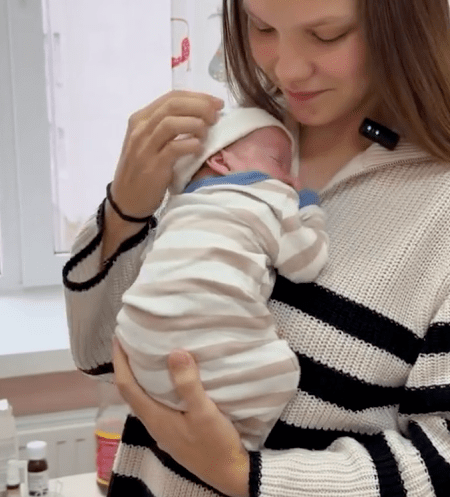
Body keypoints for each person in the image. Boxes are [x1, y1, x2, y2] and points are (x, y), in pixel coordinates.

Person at [63, 0, 450, 497]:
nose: (286, 69)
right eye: (262, 27)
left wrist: (247, 476)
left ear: (401, 13)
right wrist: (125, 211)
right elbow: (98, 355)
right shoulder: (233, 142)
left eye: (326, 33)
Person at [114, 106, 328, 452]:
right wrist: (309, 211)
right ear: (221, 161)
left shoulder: (176, 211)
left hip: (138, 342)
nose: (291, 179)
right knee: (279, 375)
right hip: (217, 348)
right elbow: (306, 263)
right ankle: (242, 445)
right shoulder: (267, 195)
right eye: (279, 162)